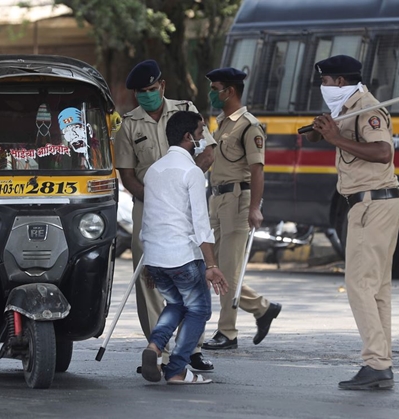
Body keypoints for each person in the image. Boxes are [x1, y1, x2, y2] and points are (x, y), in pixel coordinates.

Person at [305, 55, 399, 390]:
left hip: (373, 202)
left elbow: (382, 153)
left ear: (340, 82)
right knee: (377, 289)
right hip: (368, 203)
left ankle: (376, 362)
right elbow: (346, 142)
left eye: (326, 82)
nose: (323, 87)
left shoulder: (368, 110)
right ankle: (381, 363)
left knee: (360, 285)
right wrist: (325, 133)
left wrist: (335, 139)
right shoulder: (346, 109)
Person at [115, 59, 217, 371]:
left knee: (191, 272)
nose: (146, 95)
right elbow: (127, 174)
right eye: (140, 92)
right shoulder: (128, 124)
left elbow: (209, 151)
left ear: (162, 86)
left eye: (150, 89)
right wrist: (158, 196)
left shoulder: (186, 110)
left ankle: (192, 349)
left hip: (186, 205)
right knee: (148, 277)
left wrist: (184, 184)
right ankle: (156, 349)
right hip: (147, 208)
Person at [139, 110, 227, 384]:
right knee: (199, 309)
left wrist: (148, 261)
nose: (203, 138)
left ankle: (155, 347)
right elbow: (201, 223)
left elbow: (148, 218)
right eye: (201, 132)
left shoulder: (154, 171)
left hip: (155, 255)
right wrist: (212, 265)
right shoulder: (191, 172)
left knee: (175, 303)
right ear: (189, 137)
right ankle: (176, 369)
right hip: (183, 256)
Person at [202, 68, 282, 351]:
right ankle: (262, 307)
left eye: (216, 88)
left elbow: (257, 170)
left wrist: (255, 207)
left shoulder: (249, 125)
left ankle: (228, 332)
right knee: (211, 265)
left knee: (229, 269)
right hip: (218, 198)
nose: (212, 93)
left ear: (230, 91)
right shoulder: (222, 123)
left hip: (238, 199)